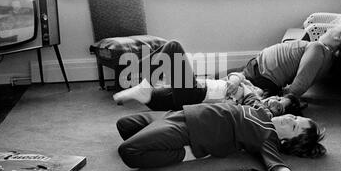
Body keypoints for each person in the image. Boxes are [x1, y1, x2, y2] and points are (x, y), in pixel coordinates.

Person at [116, 102, 326, 171]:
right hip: (181, 113)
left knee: (129, 151)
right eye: (296, 117)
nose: (291, 118)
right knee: (124, 125)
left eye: (295, 125)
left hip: (191, 130)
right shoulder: (266, 112)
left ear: (285, 141)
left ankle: (182, 154)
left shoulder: (267, 137)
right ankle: (159, 141)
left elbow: (278, 166)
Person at [113, 40, 302, 117]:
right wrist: (236, 79)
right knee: (153, 94)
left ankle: (139, 76)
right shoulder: (261, 91)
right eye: (278, 98)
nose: (275, 101)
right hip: (186, 94)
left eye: (279, 106)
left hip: (198, 96)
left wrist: (246, 93)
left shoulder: (258, 110)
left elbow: (259, 112)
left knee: (173, 47)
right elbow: (238, 75)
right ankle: (143, 84)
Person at [236, 21, 341, 97]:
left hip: (259, 74)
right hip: (259, 70)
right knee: (222, 77)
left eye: (333, 29)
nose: (329, 29)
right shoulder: (327, 57)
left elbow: (301, 83)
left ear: (340, 37)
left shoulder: (318, 49)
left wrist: (284, 98)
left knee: (220, 81)